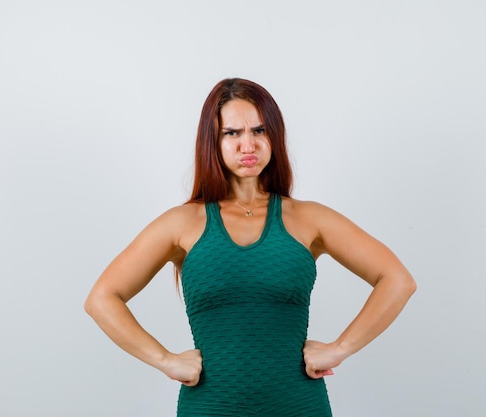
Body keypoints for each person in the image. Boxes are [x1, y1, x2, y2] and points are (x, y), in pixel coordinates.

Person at [85, 78, 417, 416]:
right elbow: (102, 298)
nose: (249, 145)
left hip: (299, 406)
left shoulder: (308, 218)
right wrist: (165, 360)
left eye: (259, 131)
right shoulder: (181, 223)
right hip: (210, 407)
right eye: (233, 133)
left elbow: (397, 280)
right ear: (212, 141)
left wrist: (340, 349)